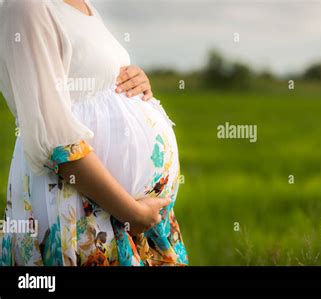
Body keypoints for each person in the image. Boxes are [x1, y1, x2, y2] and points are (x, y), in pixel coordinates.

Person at [0, 0, 188, 266]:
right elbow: (55, 141)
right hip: (79, 209)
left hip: (122, 216)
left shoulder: (84, 5)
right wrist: (132, 212)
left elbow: (95, 81)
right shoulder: (27, 6)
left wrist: (135, 81)